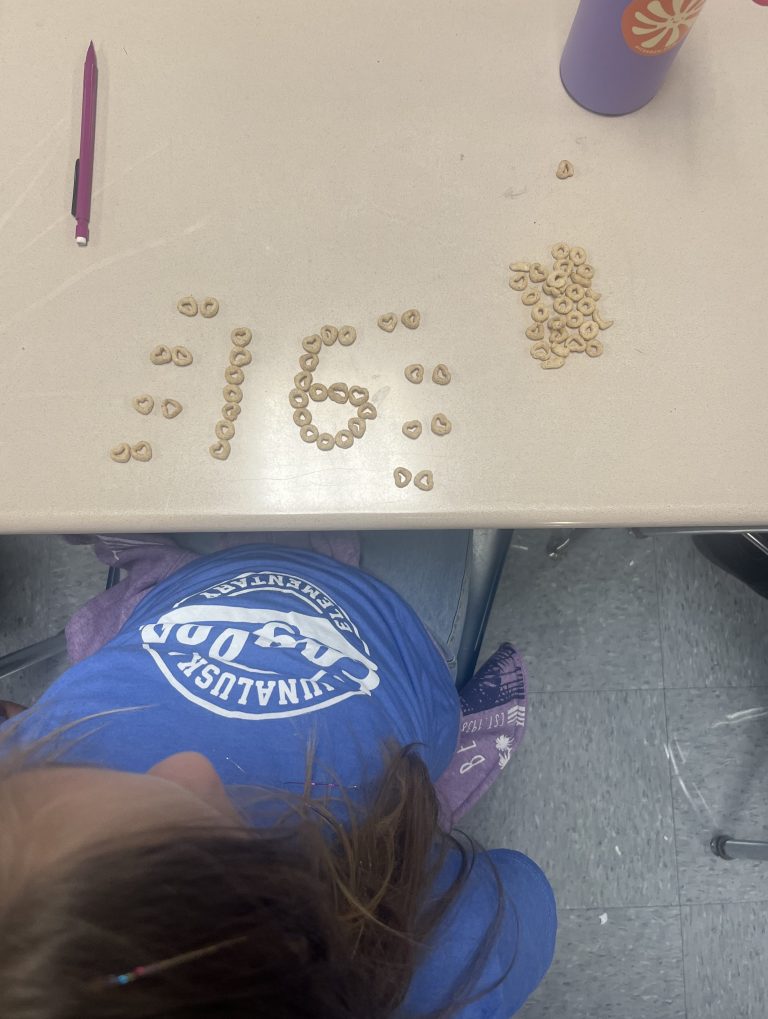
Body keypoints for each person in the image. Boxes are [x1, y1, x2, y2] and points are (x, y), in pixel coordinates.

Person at [0, 531, 556, 1018]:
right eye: (205, 838)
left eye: (63, 761)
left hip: (193, 592)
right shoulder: (430, 972)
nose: (192, 764)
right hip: (396, 639)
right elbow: (520, 891)